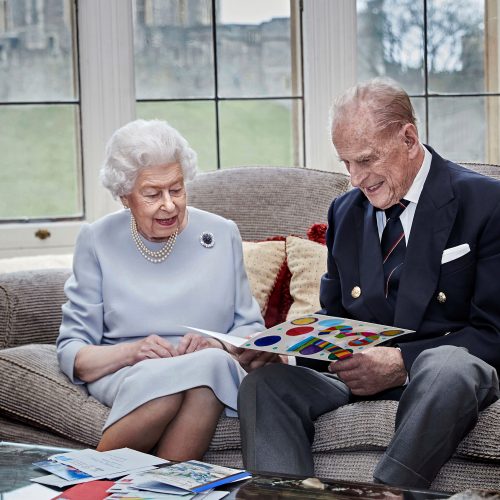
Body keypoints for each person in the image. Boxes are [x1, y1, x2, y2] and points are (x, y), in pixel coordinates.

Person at [237, 78, 500, 488]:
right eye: (346, 164)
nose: (356, 178)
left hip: (434, 381)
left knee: (449, 365)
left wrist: (402, 364)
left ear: (409, 138)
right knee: (266, 385)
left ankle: (384, 494)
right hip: (356, 378)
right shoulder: (345, 211)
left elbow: (493, 332)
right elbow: (335, 319)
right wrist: (286, 352)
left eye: (366, 160)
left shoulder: (485, 202)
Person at [57, 119, 264, 461]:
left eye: (177, 189)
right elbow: (74, 351)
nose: (169, 205)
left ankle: (87, 485)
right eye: (152, 194)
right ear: (125, 197)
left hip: (207, 365)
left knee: (206, 371)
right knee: (175, 387)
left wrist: (217, 343)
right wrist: (132, 352)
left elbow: (251, 329)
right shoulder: (97, 240)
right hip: (126, 369)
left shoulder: (222, 233)